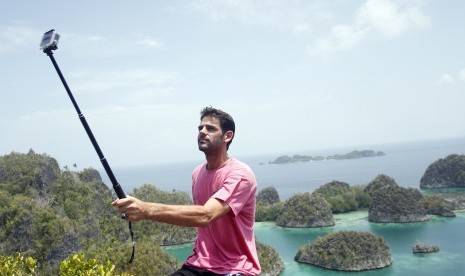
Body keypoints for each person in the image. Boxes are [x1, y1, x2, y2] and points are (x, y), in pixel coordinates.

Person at [112, 106, 261, 276]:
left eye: (210, 128)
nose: (202, 132)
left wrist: (146, 209)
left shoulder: (240, 174)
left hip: (235, 269)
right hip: (199, 265)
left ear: (228, 136)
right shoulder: (198, 173)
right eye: (200, 128)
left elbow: (206, 215)